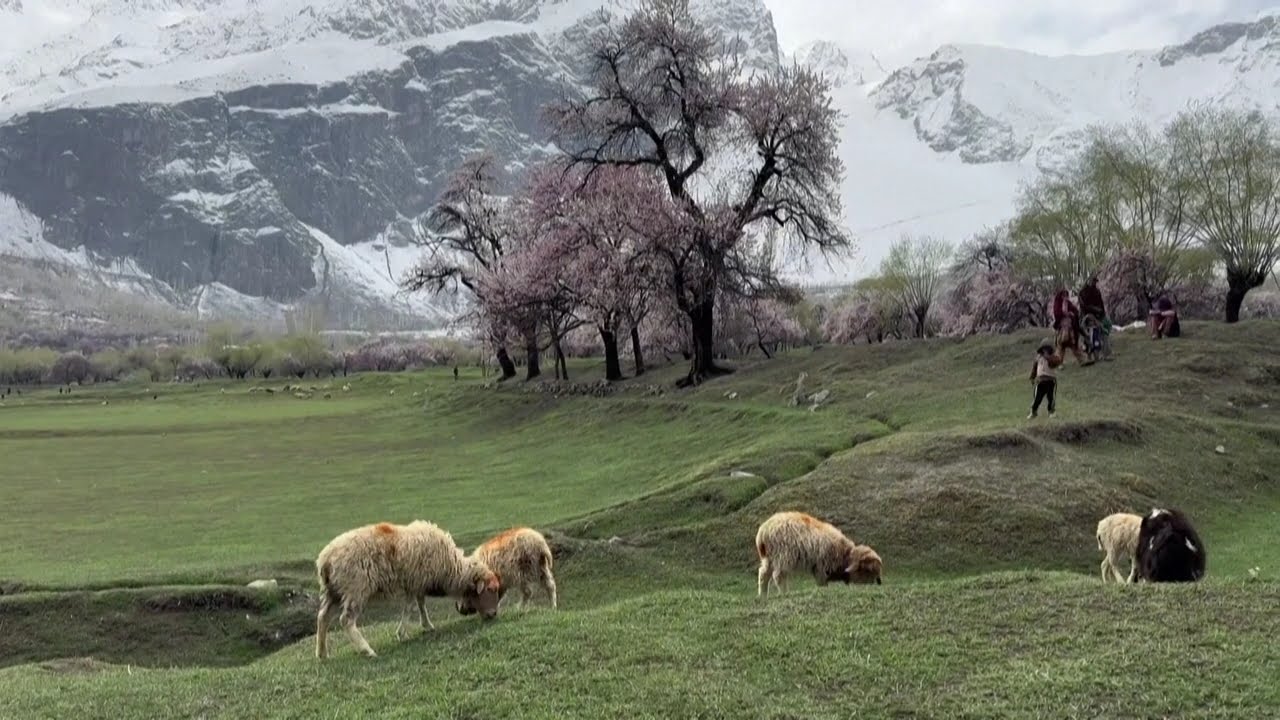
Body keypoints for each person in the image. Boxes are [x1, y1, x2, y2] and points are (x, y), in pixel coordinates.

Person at [1077, 276, 1113, 360]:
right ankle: (1090, 355)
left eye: (1095, 282)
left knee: (1103, 332)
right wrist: (1093, 309)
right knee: (1089, 336)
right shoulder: (1083, 292)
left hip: (1098, 315)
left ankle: (1105, 354)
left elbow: (1101, 303)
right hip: (1088, 316)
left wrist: (1102, 313)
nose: (1094, 283)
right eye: (1092, 281)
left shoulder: (1097, 291)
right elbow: (1084, 306)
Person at [1051, 289, 1089, 366]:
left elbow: (1075, 311)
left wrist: (1072, 314)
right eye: (1063, 295)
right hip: (1062, 331)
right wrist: (1065, 313)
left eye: (1066, 295)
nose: (1065, 297)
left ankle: (1083, 361)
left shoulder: (1068, 303)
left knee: (1074, 346)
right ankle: (1057, 364)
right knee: (1060, 348)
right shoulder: (1057, 303)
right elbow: (1058, 314)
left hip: (1071, 330)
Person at [1028, 339, 1062, 419]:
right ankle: (1033, 412)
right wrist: (1032, 378)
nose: (1045, 351)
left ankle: (1051, 412)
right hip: (1040, 382)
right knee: (1037, 398)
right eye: (1044, 349)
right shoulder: (1038, 358)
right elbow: (1034, 369)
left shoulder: (1054, 357)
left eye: (1047, 349)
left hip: (1050, 381)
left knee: (1051, 398)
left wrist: (1048, 358)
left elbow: (1056, 362)